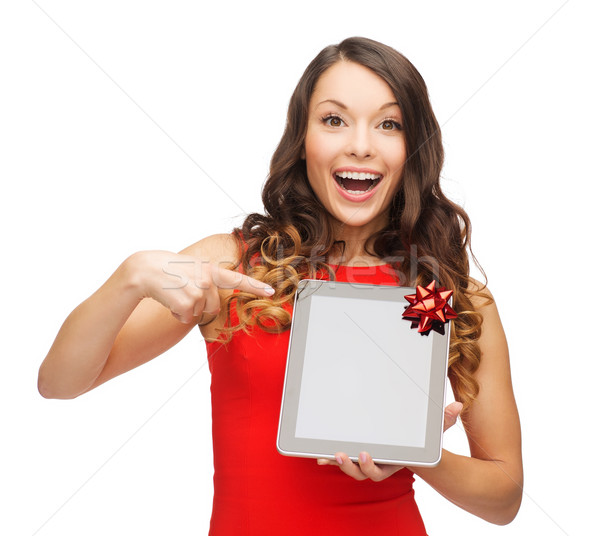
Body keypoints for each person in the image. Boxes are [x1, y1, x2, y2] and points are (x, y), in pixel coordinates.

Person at [38, 37, 523, 535]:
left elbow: (504, 497)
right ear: (303, 137)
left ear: (412, 148)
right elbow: (59, 383)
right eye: (334, 119)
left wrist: (417, 453)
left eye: (389, 124)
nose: (361, 144)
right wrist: (131, 276)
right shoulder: (232, 267)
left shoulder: (445, 295)